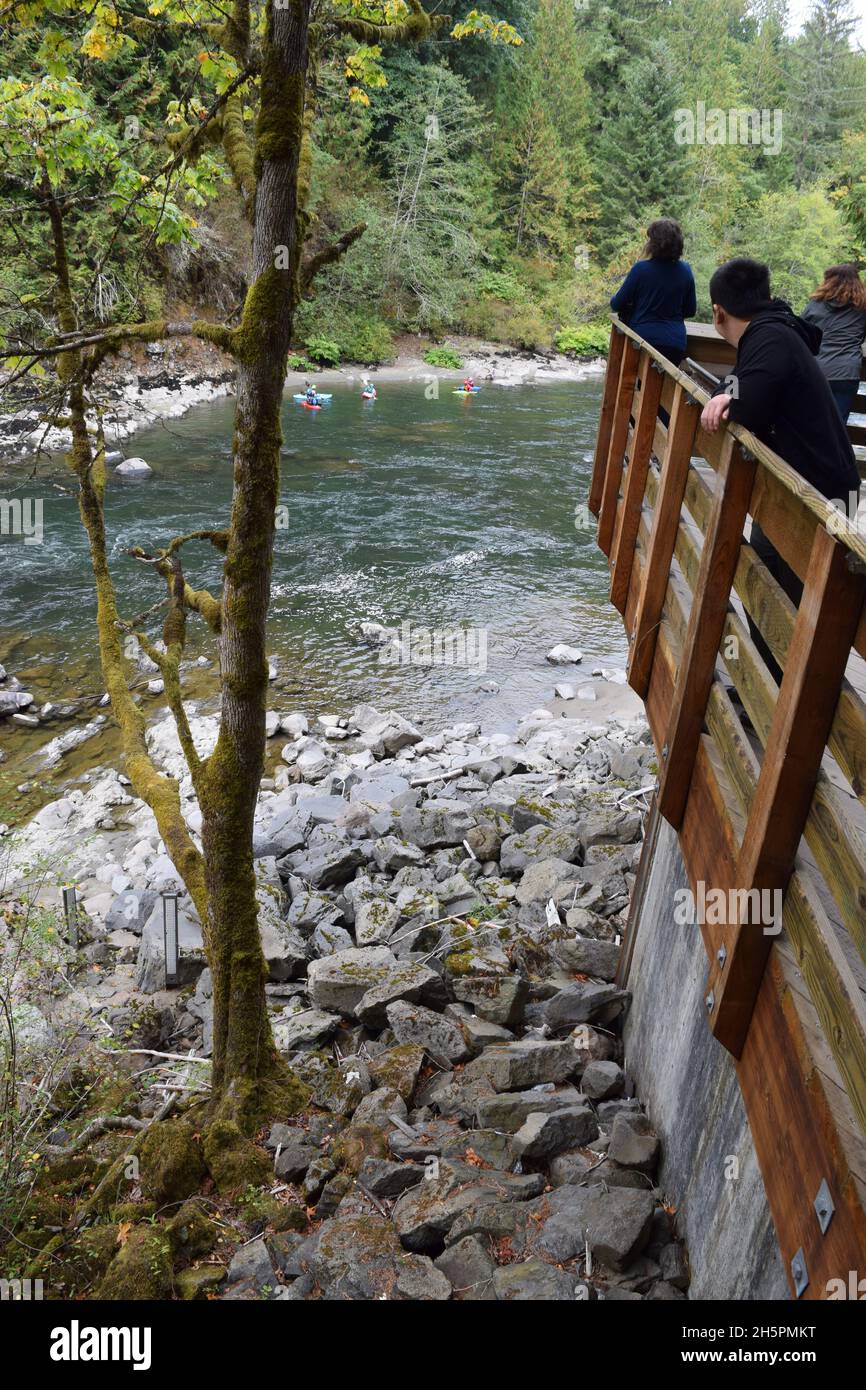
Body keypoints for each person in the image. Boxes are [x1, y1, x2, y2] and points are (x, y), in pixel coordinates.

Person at [701, 257, 861, 682]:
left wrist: (730, 399)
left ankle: (782, 698)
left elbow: (752, 401)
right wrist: (724, 393)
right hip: (812, 484)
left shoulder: (770, 337)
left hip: (819, 493)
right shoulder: (773, 332)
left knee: (784, 596)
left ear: (718, 312)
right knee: (766, 585)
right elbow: (742, 379)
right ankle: (765, 689)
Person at [609, 218, 697, 368]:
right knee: (665, 389)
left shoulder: (641, 269)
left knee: (637, 387)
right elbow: (690, 310)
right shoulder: (685, 270)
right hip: (674, 343)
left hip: (643, 341)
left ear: (654, 244)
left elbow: (616, 304)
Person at [801, 263, 866, 423]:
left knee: (808, 422)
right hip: (846, 372)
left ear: (829, 281)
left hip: (815, 371)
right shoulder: (862, 308)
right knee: (836, 429)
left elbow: (800, 334)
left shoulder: (815, 305)